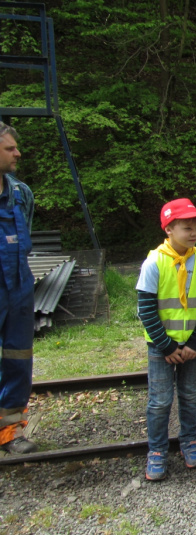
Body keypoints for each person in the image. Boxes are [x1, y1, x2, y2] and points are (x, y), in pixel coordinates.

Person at [136, 198, 196, 480]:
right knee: (159, 401)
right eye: (186, 227)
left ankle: (189, 441)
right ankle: (157, 450)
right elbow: (145, 309)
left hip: (192, 346)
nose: (194, 233)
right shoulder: (154, 262)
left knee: (189, 396)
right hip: (161, 346)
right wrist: (166, 345)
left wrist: (195, 342)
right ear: (169, 229)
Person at [0, 122, 37, 455]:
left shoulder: (21, 194)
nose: (17, 153)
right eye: (10, 148)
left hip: (18, 288)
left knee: (17, 359)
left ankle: (10, 432)